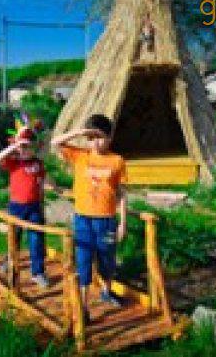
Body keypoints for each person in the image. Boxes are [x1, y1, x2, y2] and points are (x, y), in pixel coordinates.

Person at [51, 114, 127, 322]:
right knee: (83, 259)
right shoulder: (80, 155)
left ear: (109, 138)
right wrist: (81, 132)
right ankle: (84, 306)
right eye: (92, 138)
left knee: (107, 258)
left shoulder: (117, 161)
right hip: (83, 219)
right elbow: (55, 142)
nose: (96, 142)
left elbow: (121, 193)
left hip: (107, 220)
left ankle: (106, 291)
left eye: (100, 137)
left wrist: (123, 222)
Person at [0, 123, 49, 288]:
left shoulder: (38, 163)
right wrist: (16, 146)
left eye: (28, 147)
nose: (25, 150)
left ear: (34, 147)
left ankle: (38, 272)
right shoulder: (14, 162)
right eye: (22, 147)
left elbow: (42, 180)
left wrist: (52, 190)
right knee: (14, 236)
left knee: (36, 238)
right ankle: (9, 260)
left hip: (34, 206)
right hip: (17, 207)